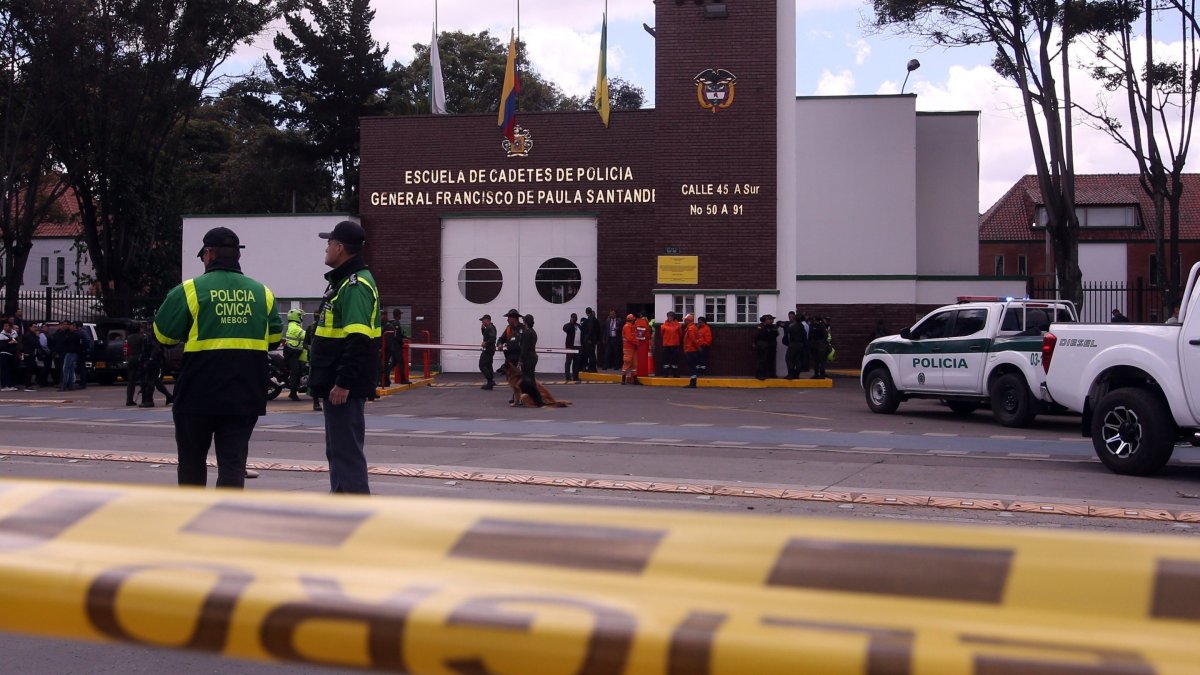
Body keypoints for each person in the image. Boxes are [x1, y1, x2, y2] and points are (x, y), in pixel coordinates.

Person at [153, 226, 282, 489]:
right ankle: (225, 522)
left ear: (209, 254)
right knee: (233, 464)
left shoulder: (190, 290)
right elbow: (274, 340)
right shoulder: (263, 293)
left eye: (202, 255)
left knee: (192, 462)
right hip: (245, 395)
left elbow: (163, 336)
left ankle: (193, 520)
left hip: (198, 394)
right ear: (237, 256)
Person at [309, 220, 381, 495]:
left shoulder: (354, 286)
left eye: (329, 243)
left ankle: (352, 512)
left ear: (339, 248)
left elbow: (359, 339)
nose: (326, 248)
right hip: (337, 383)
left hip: (343, 387)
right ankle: (342, 505)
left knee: (346, 452)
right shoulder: (345, 283)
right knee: (339, 450)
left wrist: (343, 381)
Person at [140, 331, 174, 407]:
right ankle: (169, 397)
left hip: (154, 363)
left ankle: (149, 401)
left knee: (150, 381)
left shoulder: (152, 337)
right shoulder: (151, 336)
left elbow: (156, 349)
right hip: (152, 362)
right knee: (156, 382)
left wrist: (150, 359)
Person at [518, 313, 545, 405]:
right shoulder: (533, 332)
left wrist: (521, 360)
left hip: (528, 358)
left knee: (528, 380)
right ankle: (536, 399)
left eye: (523, 320)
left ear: (526, 322)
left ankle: (536, 399)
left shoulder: (527, 332)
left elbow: (524, 347)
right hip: (533, 356)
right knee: (531, 378)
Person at [684, 315, 713, 388]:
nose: (684, 321)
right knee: (694, 366)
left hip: (690, 349)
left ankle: (693, 383)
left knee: (692, 367)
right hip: (693, 349)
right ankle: (693, 382)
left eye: (685, 320)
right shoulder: (694, 328)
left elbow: (693, 340)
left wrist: (698, 347)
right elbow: (698, 339)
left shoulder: (691, 329)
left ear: (689, 320)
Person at [283, 309, 306, 400]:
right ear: (296, 316)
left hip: (294, 352)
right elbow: (304, 335)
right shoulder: (294, 327)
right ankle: (292, 393)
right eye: (300, 316)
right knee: (296, 371)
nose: (302, 318)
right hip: (292, 352)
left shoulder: (294, 325)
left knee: (300, 368)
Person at [383, 308, 410, 385]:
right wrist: (402, 340)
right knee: (401, 362)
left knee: (393, 363)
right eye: (400, 314)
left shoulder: (393, 323)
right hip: (396, 346)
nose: (401, 316)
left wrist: (405, 337)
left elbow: (398, 334)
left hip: (393, 346)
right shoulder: (396, 324)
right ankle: (403, 380)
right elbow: (396, 336)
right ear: (398, 315)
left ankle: (384, 377)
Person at [124, 322, 147, 406]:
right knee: (143, 380)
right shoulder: (143, 337)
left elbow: (126, 350)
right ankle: (144, 399)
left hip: (130, 359)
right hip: (140, 359)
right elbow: (145, 350)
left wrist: (126, 358)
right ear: (139, 329)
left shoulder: (128, 338)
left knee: (131, 381)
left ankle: (129, 400)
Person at [753, 314, 779, 380]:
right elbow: (757, 336)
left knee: (771, 360)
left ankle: (771, 374)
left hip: (771, 346)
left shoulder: (773, 327)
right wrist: (755, 343)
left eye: (772, 319)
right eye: (770, 319)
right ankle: (760, 375)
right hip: (763, 345)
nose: (772, 321)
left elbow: (776, 334)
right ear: (765, 320)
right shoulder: (760, 327)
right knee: (762, 360)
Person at [58, 322, 81, 391]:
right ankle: (70, 386)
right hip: (73, 353)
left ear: (73, 326)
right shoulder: (74, 333)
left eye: (69, 325)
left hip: (70, 352)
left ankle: (64, 386)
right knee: (71, 369)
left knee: (66, 369)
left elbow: (66, 341)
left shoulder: (73, 334)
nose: (67, 327)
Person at [784, 311, 807, 379]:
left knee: (789, 359)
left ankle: (790, 374)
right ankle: (797, 374)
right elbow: (805, 337)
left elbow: (787, 336)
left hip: (793, 344)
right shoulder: (802, 327)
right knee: (797, 360)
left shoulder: (792, 327)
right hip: (801, 345)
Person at [659, 311, 683, 378]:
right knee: (666, 360)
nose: (669, 318)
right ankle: (665, 374)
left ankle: (675, 374)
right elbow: (662, 334)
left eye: (671, 316)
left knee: (674, 360)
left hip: (675, 345)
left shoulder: (678, 325)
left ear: (673, 317)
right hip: (666, 345)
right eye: (668, 316)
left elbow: (680, 334)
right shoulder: (663, 326)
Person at [579, 307, 601, 373]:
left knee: (591, 354)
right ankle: (593, 368)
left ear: (586, 312)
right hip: (594, 339)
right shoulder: (595, 320)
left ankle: (592, 368)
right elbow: (598, 330)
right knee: (592, 354)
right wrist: (598, 339)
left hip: (590, 340)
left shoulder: (589, 320)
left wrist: (588, 338)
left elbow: (589, 330)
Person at [479, 314, 497, 390]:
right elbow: (487, 336)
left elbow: (493, 337)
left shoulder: (491, 327)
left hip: (488, 349)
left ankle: (490, 380)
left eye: (483, 320)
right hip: (490, 349)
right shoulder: (488, 328)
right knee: (489, 365)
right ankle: (490, 382)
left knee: (482, 365)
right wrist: (483, 330)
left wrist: (486, 343)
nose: (482, 322)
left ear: (487, 320)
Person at [20, 323, 40, 390]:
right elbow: (35, 344)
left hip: (31, 353)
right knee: (29, 369)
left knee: (32, 369)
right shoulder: (28, 335)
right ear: (30, 327)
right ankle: (27, 385)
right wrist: (37, 337)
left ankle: (29, 384)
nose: (35, 328)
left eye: (36, 327)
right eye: (34, 327)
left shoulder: (31, 334)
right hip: (28, 354)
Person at [621, 313, 639, 385]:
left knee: (634, 364)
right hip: (628, 348)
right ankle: (623, 379)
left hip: (632, 348)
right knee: (627, 362)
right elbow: (629, 338)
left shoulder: (631, 326)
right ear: (632, 320)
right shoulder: (627, 327)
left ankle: (635, 380)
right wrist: (637, 343)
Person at [0, 319, 18, 391]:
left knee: (11, 370)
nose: (5, 328)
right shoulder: (1, 335)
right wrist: (9, 343)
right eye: (4, 326)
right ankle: (4, 386)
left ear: (10, 327)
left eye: (7, 326)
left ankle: (11, 385)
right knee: (4, 370)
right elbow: (2, 346)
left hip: (12, 354)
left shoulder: (14, 333)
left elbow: (17, 341)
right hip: (4, 354)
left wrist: (15, 342)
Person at [562, 312, 580, 381]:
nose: (575, 318)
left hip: (578, 347)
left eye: (576, 317)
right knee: (568, 361)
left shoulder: (579, 326)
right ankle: (568, 376)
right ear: (571, 318)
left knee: (576, 362)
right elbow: (564, 329)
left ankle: (575, 377)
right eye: (573, 317)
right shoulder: (568, 325)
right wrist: (571, 323)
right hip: (570, 346)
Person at [74, 321, 92, 389]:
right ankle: (82, 383)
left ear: (77, 326)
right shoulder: (83, 331)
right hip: (82, 351)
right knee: (81, 367)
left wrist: (84, 348)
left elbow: (87, 340)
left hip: (82, 352)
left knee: (82, 367)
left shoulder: (82, 331)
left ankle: (83, 383)